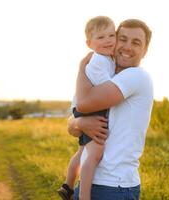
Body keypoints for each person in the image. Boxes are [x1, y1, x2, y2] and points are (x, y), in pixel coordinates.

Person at [68, 19, 153, 200]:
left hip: (114, 187)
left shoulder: (136, 76)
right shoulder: (109, 76)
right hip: (91, 182)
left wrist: (82, 66)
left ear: (145, 51)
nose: (127, 47)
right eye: (122, 39)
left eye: (136, 42)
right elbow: (72, 128)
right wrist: (79, 122)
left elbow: (82, 104)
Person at [58, 16, 116, 200]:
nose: (108, 40)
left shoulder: (106, 58)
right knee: (94, 153)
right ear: (89, 43)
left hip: (83, 107)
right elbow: (107, 87)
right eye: (101, 37)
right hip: (90, 108)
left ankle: (67, 185)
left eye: (111, 35)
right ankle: (84, 196)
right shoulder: (98, 60)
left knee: (83, 151)